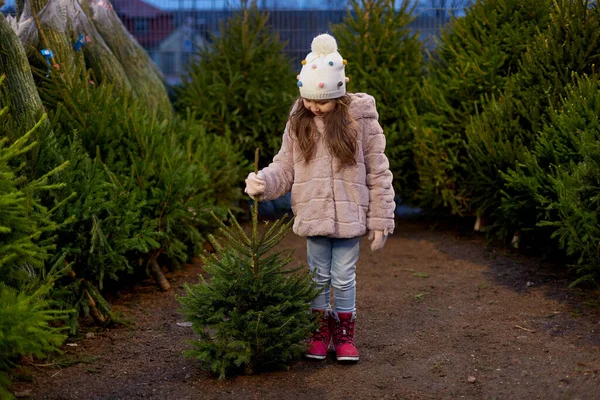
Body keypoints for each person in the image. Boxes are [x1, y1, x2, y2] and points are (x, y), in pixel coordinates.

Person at [244, 33, 395, 362]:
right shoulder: (299, 121)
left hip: (350, 217)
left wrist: (381, 219)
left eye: (321, 102)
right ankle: (317, 329)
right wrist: (263, 183)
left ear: (339, 96)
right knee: (316, 275)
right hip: (313, 214)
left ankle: (343, 334)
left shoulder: (361, 123)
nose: (313, 106)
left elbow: (378, 172)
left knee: (342, 276)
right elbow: (284, 167)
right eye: (309, 99)